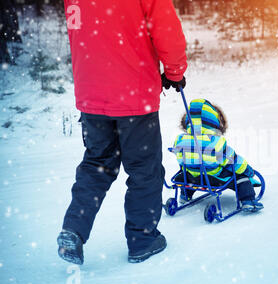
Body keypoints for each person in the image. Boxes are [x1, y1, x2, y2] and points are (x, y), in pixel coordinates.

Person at [57, 0, 187, 265]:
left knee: (96, 164)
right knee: (144, 169)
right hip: (133, 93)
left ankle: (74, 230)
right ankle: (143, 240)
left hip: (91, 92)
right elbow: (166, 29)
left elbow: (79, 32)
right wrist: (174, 72)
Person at [171, 99, 264, 212]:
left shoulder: (180, 140)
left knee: (187, 172)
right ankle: (248, 201)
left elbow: (180, 158)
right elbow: (233, 161)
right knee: (241, 177)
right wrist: (248, 170)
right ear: (213, 122)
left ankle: (185, 194)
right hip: (213, 179)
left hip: (191, 179)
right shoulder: (216, 142)